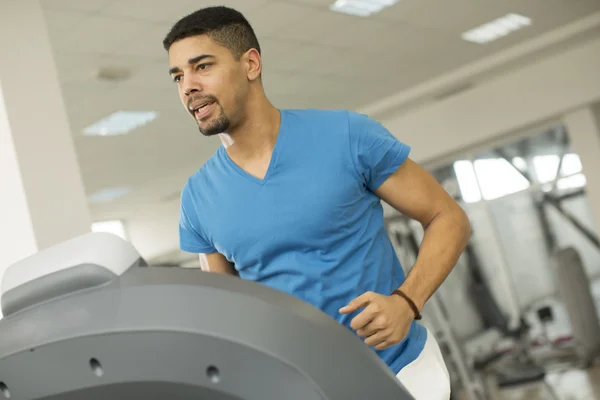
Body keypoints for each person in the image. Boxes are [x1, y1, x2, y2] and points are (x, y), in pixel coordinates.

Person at [163, 6, 470, 399]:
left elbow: (449, 217)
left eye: (201, 66)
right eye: (177, 76)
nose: (187, 86)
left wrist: (406, 302)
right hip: (302, 387)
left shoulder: (347, 135)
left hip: (400, 372)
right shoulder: (197, 197)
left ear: (251, 64)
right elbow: (228, 317)